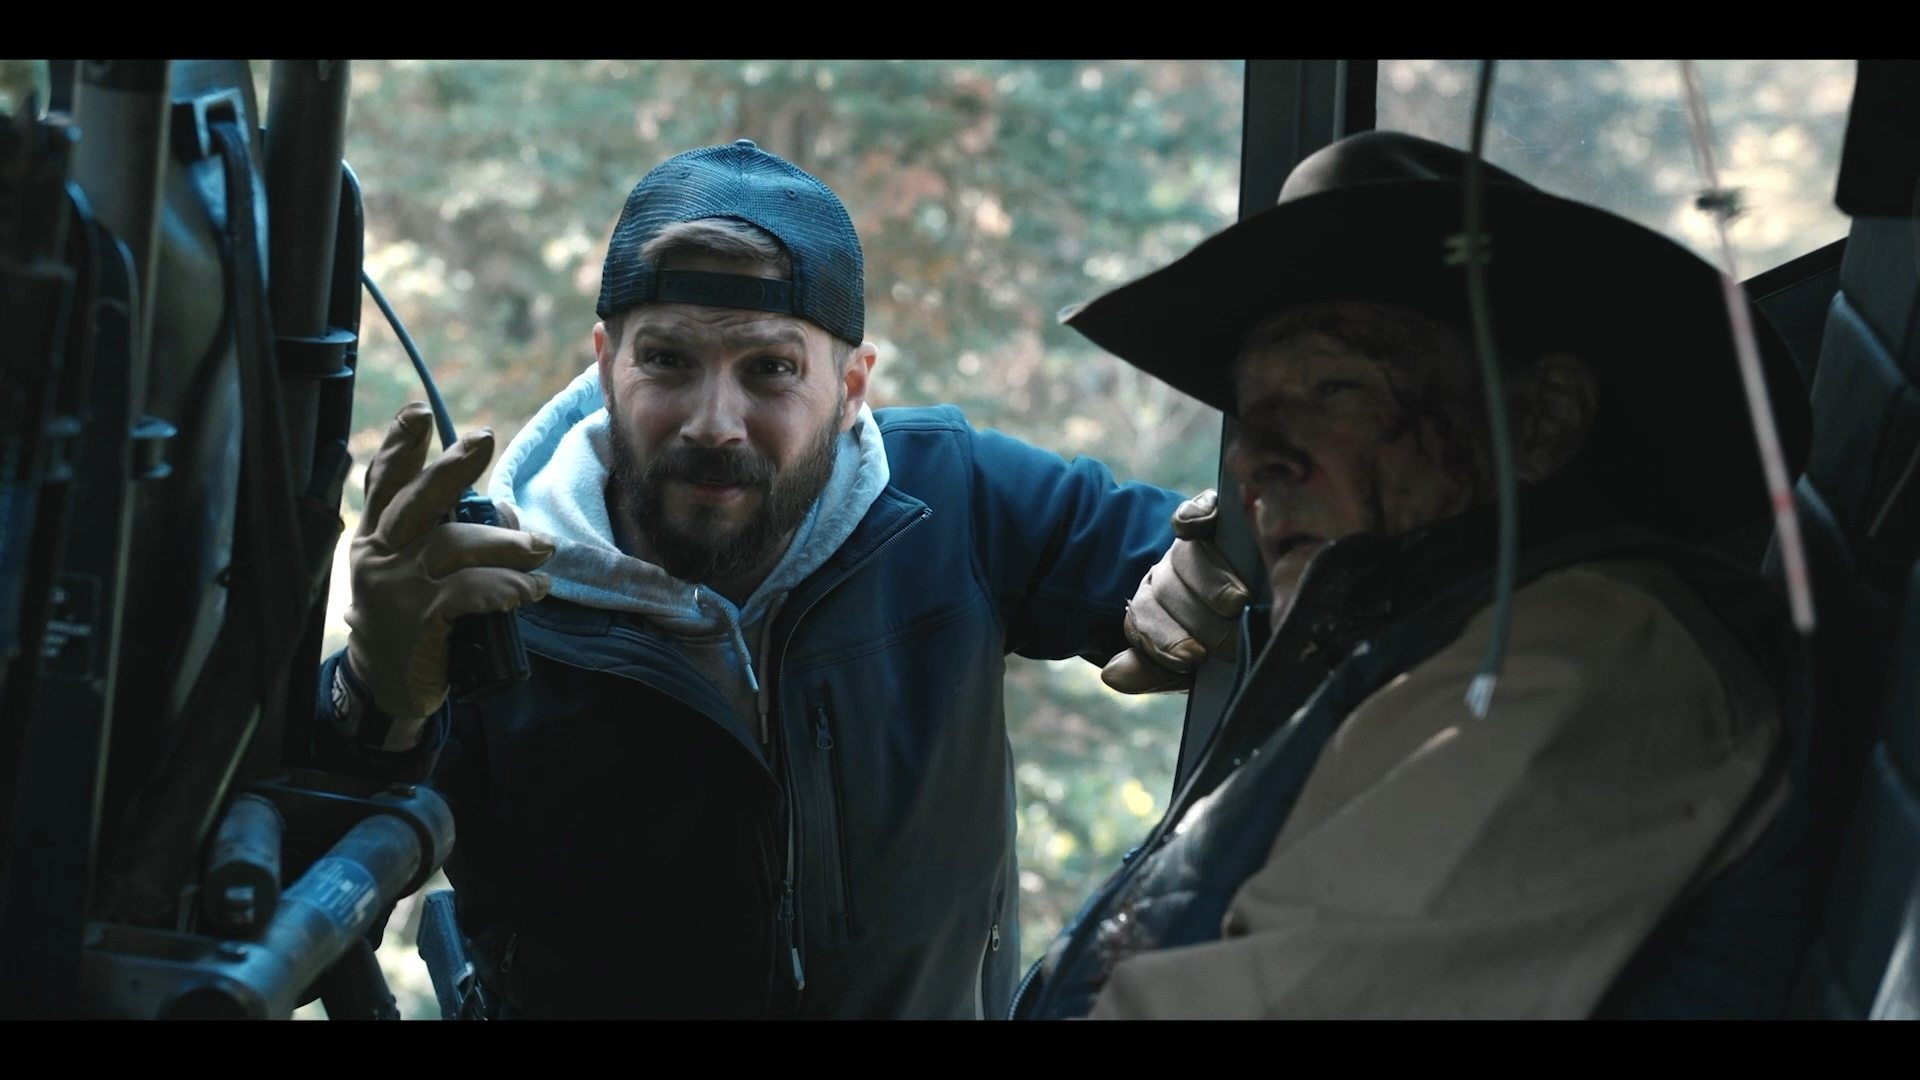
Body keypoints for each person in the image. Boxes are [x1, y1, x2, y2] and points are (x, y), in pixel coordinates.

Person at [319, 140, 1235, 1018]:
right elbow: (278, 917)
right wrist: (375, 698)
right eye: (667, 360)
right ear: (605, 364)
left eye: (770, 370)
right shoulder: (484, 598)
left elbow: (1236, 552)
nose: (714, 422)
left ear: (852, 388)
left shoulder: (956, 498)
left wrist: (1211, 567)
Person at [1012, 130, 1820, 1019]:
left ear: (1542, 419)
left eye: (1333, 389)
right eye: (1250, 412)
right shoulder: (1433, 649)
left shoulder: (1585, 657)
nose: (1252, 458)